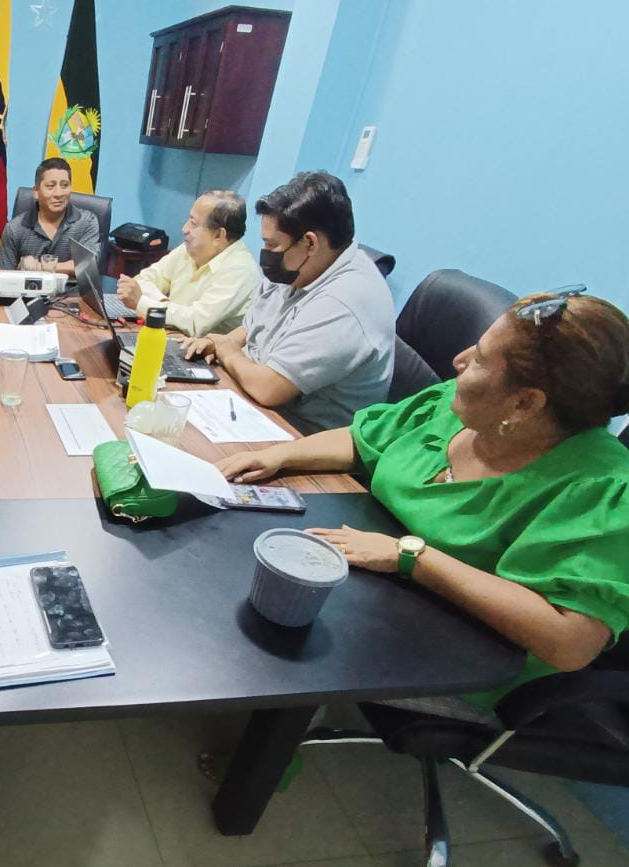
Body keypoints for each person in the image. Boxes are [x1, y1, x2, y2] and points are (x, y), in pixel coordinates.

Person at [217, 289, 629, 716]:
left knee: (260, 653)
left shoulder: (603, 490)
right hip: (368, 589)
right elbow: (363, 439)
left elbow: (570, 642)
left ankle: (272, 743)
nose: (460, 361)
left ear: (525, 402)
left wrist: (411, 557)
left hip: (453, 658)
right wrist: (281, 454)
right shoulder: (464, 406)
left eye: (481, 359)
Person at [182, 172, 395, 434]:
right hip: (253, 405)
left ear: (310, 243)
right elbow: (252, 326)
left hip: (298, 434)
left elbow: (268, 388)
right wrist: (221, 342)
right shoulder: (301, 267)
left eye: (272, 245)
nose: (266, 254)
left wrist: (228, 352)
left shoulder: (344, 302)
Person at [114, 190, 262, 337]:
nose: (184, 229)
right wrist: (161, 303)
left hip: (202, 350)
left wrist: (142, 302)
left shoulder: (240, 270)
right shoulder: (191, 248)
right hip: (172, 336)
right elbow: (143, 280)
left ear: (219, 235)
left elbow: (194, 323)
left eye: (194, 224)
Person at [0, 157, 101, 275]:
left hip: (72, 287)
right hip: (29, 287)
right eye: (50, 186)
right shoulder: (15, 229)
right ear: (36, 192)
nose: (58, 193)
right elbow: (3, 276)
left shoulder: (86, 222)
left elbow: (88, 265)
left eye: (64, 185)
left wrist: (42, 266)